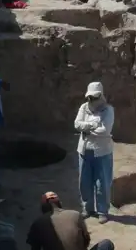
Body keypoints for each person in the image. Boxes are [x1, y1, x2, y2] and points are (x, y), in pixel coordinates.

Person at [74, 82, 115, 224]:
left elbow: (105, 130)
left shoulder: (108, 110)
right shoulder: (84, 108)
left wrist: (86, 129)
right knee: (84, 182)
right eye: (90, 97)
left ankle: (102, 211)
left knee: (102, 182)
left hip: (102, 152)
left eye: (94, 97)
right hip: (85, 151)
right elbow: (77, 124)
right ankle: (87, 208)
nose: (91, 100)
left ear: (100, 95)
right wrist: (93, 126)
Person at [26, 191, 115, 250]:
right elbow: (86, 242)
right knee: (107, 244)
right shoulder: (75, 214)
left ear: (43, 208)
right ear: (60, 204)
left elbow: (34, 248)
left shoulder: (37, 223)